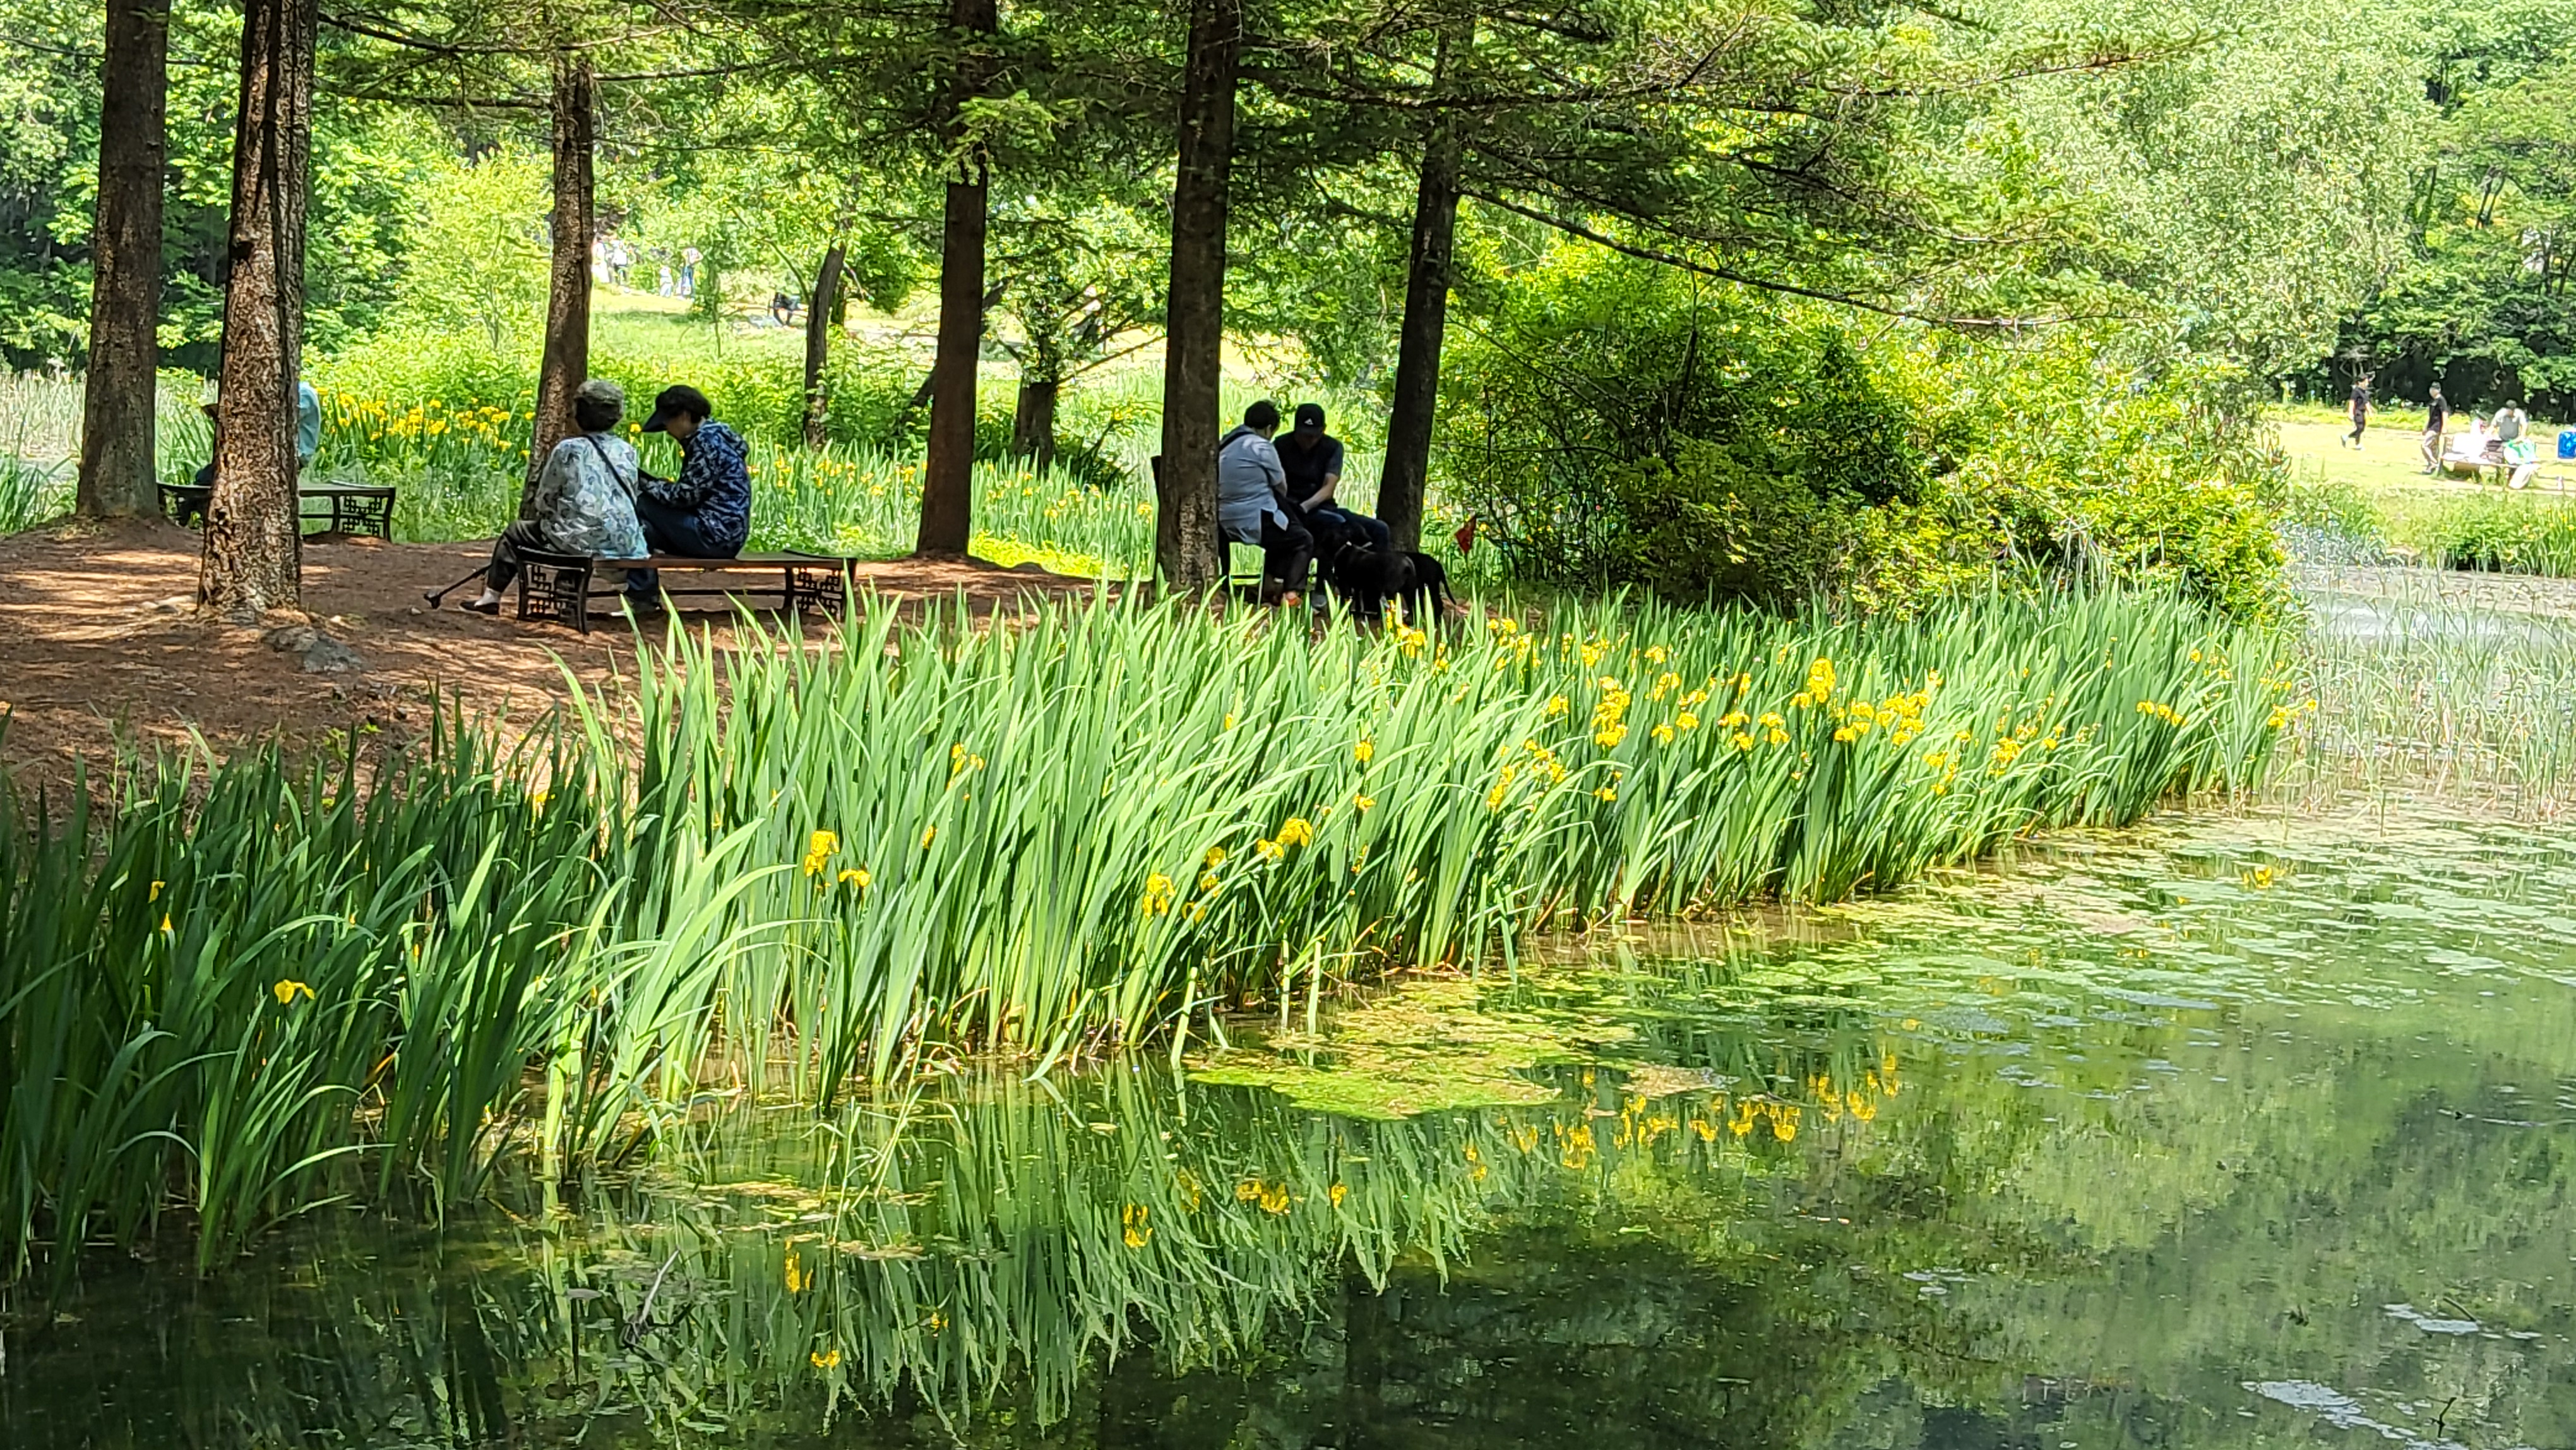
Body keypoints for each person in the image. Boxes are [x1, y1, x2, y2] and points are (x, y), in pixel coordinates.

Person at [465, 379, 646, 614]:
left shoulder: (568, 449)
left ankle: (491, 598)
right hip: (626, 540)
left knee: (516, 532)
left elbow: (545, 497)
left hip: (581, 539)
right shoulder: (627, 450)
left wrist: (550, 513)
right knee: (574, 532)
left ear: (579, 413)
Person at [627, 384, 751, 609]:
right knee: (646, 528)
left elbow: (685, 497)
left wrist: (648, 485)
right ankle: (642, 596)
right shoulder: (718, 438)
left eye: (668, 422)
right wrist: (661, 486)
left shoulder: (706, 443)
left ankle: (643, 594)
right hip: (728, 536)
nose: (667, 430)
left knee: (641, 504)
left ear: (684, 416)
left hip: (713, 536)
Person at [1216, 400, 1309, 604]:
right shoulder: (1262, 447)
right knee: (1302, 539)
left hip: (1221, 519)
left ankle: (1264, 586)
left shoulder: (1225, 442)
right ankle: (1290, 594)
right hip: (1253, 519)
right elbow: (1281, 486)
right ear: (1268, 429)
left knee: (1282, 530)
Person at [1279, 402, 1392, 553]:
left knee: (1380, 529)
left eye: (1313, 436)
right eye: (1303, 435)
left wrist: (1305, 507)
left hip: (1320, 507)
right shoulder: (1281, 446)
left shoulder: (1332, 447)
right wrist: (1295, 509)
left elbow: (1328, 488)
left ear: (1323, 430)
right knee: (1337, 523)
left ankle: (1376, 565)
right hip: (1291, 509)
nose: (1308, 441)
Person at [2420, 386, 2449, 474]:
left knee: (2425, 445)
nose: (2431, 391)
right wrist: (2426, 427)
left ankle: (2434, 463)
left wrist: (2444, 427)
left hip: (2436, 427)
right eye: (2431, 389)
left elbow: (2445, 413)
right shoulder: (2433, 401)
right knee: (2433, 448)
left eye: (2434, 389)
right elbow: (2431, 416)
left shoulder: (2441, 400)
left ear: (2439, 390)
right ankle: (2431, 467)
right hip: (2431, 426)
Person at [2345, 376, 2371, 448]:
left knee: (2362, 428)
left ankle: (2348, 438)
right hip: (2357, 411)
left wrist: (2369, 412)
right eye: (2365, 382)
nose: (2367, 384)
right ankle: (2356, 443)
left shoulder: (2364, 392)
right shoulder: (2356, 391)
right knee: (2360, 427)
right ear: (2360, 382)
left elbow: (2366, 402)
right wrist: (2350, 413)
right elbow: (2352, 402)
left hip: (2362, 412)